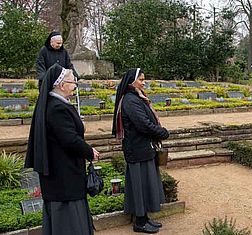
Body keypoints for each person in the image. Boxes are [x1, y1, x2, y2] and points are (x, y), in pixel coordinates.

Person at [25, 63, 99, 235]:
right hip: (63, 173)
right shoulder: (57, 108)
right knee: (68, 221)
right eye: (73, 82)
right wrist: (89, 151)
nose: (75, 86)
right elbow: (69, 140)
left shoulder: (55, 104)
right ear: (61, 84)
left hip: (62, 171)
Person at [112, 68, 169, 234]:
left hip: (143, 147)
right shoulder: (130, 100)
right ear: (131, 81)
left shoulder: (136, 97)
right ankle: (139, 222)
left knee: (145, 184)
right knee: (139, 186)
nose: (144, 83)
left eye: (144, 79)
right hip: (136, 149)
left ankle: (145, 218)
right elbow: (143, 124)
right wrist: (162, 132)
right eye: (141, 79)